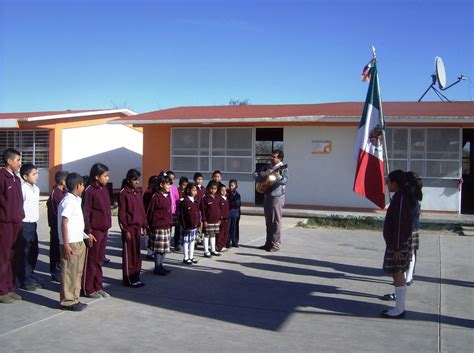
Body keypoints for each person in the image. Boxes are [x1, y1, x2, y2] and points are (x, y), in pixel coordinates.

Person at [380, 170, 415, 319]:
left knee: (398, 272)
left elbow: (400, 224)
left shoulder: (401, 199)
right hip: (397, 243)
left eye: (388, 181)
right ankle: (399, 307)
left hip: (398, 244)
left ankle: (399, 309)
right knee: (397, 273)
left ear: (395, 183)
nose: (386, 184)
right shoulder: (400, 197)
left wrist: (396, 247)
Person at [58, 172, 88, 311]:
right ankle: (67, 301)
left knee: (77, 271)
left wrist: (85, 236)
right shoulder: (68, 201)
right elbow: (65, 223)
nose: (83, 187)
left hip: (78, 240)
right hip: (70, 243)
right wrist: (66, 243)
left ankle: (75, 298)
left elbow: (76, 223)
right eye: (82, 184)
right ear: (78, 186)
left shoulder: (76, 199)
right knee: (69, 272)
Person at [82, 163, 112, 299]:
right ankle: (88, 289)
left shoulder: (103, 189)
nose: (107, 178)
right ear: (96, 176)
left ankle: (98, 286)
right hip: (94, 232)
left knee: (99, 260)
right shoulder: (89, 190)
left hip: (104, 230)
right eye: (105, 176)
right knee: (91, 261)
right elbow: (86, 213)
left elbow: (106, 210)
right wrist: (88, 232)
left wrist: (108, 227)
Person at [0, 148, 24, 304]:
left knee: (12, 257)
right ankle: (2, 290)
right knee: (3, 257)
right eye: (18, 160)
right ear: (9, 161)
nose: (20, 164)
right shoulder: (2, 177)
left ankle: (10, 287)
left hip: (17, 222)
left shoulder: (16, 179)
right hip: (5, 224)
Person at [118, 169, 148, 288]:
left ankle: (136, 276)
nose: (137, 182)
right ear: (129, 180)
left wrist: (145, 225)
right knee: (129, 255)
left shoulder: (137, 192)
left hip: (137, 227)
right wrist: (125, 230)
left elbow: (141, 210)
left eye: (138, 180)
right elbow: (122, 214)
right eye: (134, 179)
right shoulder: (123, 193)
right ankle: (129, 279)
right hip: (129, 228)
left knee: (137, 254)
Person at [254, 150, 288, 252]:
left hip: (277, 197)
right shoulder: (268, 166)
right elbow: (255, 174)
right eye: (271, 156)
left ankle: (276, 244)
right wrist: (263, 174)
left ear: (280, 158)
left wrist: (278, 176)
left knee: (276, 221)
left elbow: (285, 181)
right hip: (267, 194)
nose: (272, 158)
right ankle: (268, 243)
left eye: (274, 157)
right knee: (268, 221)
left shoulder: (283, 168)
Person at [16, 163, 42, 291]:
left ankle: (31, 276)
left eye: (37, 173)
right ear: (25, 176)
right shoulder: (22, 189)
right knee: (24, 252)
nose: (37, 176)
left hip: (33, 223)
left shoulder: (36, 189)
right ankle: (24, 280)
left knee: (34, 251)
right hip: (24, 223)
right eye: (34, 174)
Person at [147, 172, 173, 276]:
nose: (169, 186)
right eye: (167, 184)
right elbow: (150, 211)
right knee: (158, 249)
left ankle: (161, 265)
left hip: (166, 225)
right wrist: (148, 225)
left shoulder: (167, 196)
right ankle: (157, 267)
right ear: (161, 185)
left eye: (170, 184)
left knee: (165, 248)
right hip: (158, 226)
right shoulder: (156, 197)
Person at [47, 170, 68, 283]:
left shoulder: (64, 191)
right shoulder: (55, 193)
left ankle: (59, 269)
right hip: (56, 226)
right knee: (55, 250)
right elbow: (56, 212)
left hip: (62, 226)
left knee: (60, 251)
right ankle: (55, 272)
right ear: (62, 181)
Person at [179, 182, 200, 264]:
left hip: (194, 226)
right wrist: (184, 225)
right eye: (193, 190)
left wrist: (198, 223)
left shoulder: (195, 201)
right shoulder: (185, 201)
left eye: (196, 190)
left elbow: (197, 213)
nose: (195, 192)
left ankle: (191, 256)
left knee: (192, 242)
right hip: (187, 226)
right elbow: (182, 215)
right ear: (188, 190)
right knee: (186, 242)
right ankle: (186, 257)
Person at [200, 180, 221, 258]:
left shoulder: (218, 197)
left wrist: (220, 219)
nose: (213, 190)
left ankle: (213, 250)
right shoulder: (205, 197)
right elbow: (203, 210)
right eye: (211, 188)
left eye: (215, 189)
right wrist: (204, 220)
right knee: (206, 235)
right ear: (208, 188)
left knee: (213, 235)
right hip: (208, 221)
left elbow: (219, 209)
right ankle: (206, 251)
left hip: (216, 220)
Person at [143, 175, 159, 260]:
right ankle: (149, 252)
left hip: (155, 217)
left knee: (153, 236)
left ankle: (153, 250)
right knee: (148, 235)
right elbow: (145, 207)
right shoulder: (148, 193)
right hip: (148, 217)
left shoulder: (157, 193)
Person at [173, 176, 188, 250]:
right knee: (178, 228)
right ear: (179, 184)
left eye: (185, 185)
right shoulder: (177, 190)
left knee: (184, 228)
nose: (184, 186)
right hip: (178, 212)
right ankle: (177, 243)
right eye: (183, 184)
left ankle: (183, 242)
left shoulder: (187, 192)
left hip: (185, 213)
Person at [227, 179, 241, 248]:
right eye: (230, 186)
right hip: (229, 213)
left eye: (232, 186)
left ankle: (235, 242)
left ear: (236, 186)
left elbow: (239, 205)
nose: (231, 187)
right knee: (229, 228)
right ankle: (228, 242)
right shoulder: (227, 194)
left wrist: (239, 214)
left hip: (236, 214)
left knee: (235, 228)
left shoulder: (238, 195)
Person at [217, 184, 230, 252]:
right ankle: (219, 246)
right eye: (222, 190)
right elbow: (218, 209)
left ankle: (223, 245)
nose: (224, 192)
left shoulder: (227, 199)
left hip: (226, 218)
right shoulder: (219, 199)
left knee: (226, 232)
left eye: (225, 190)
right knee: (220, 233)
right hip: (221, 219)